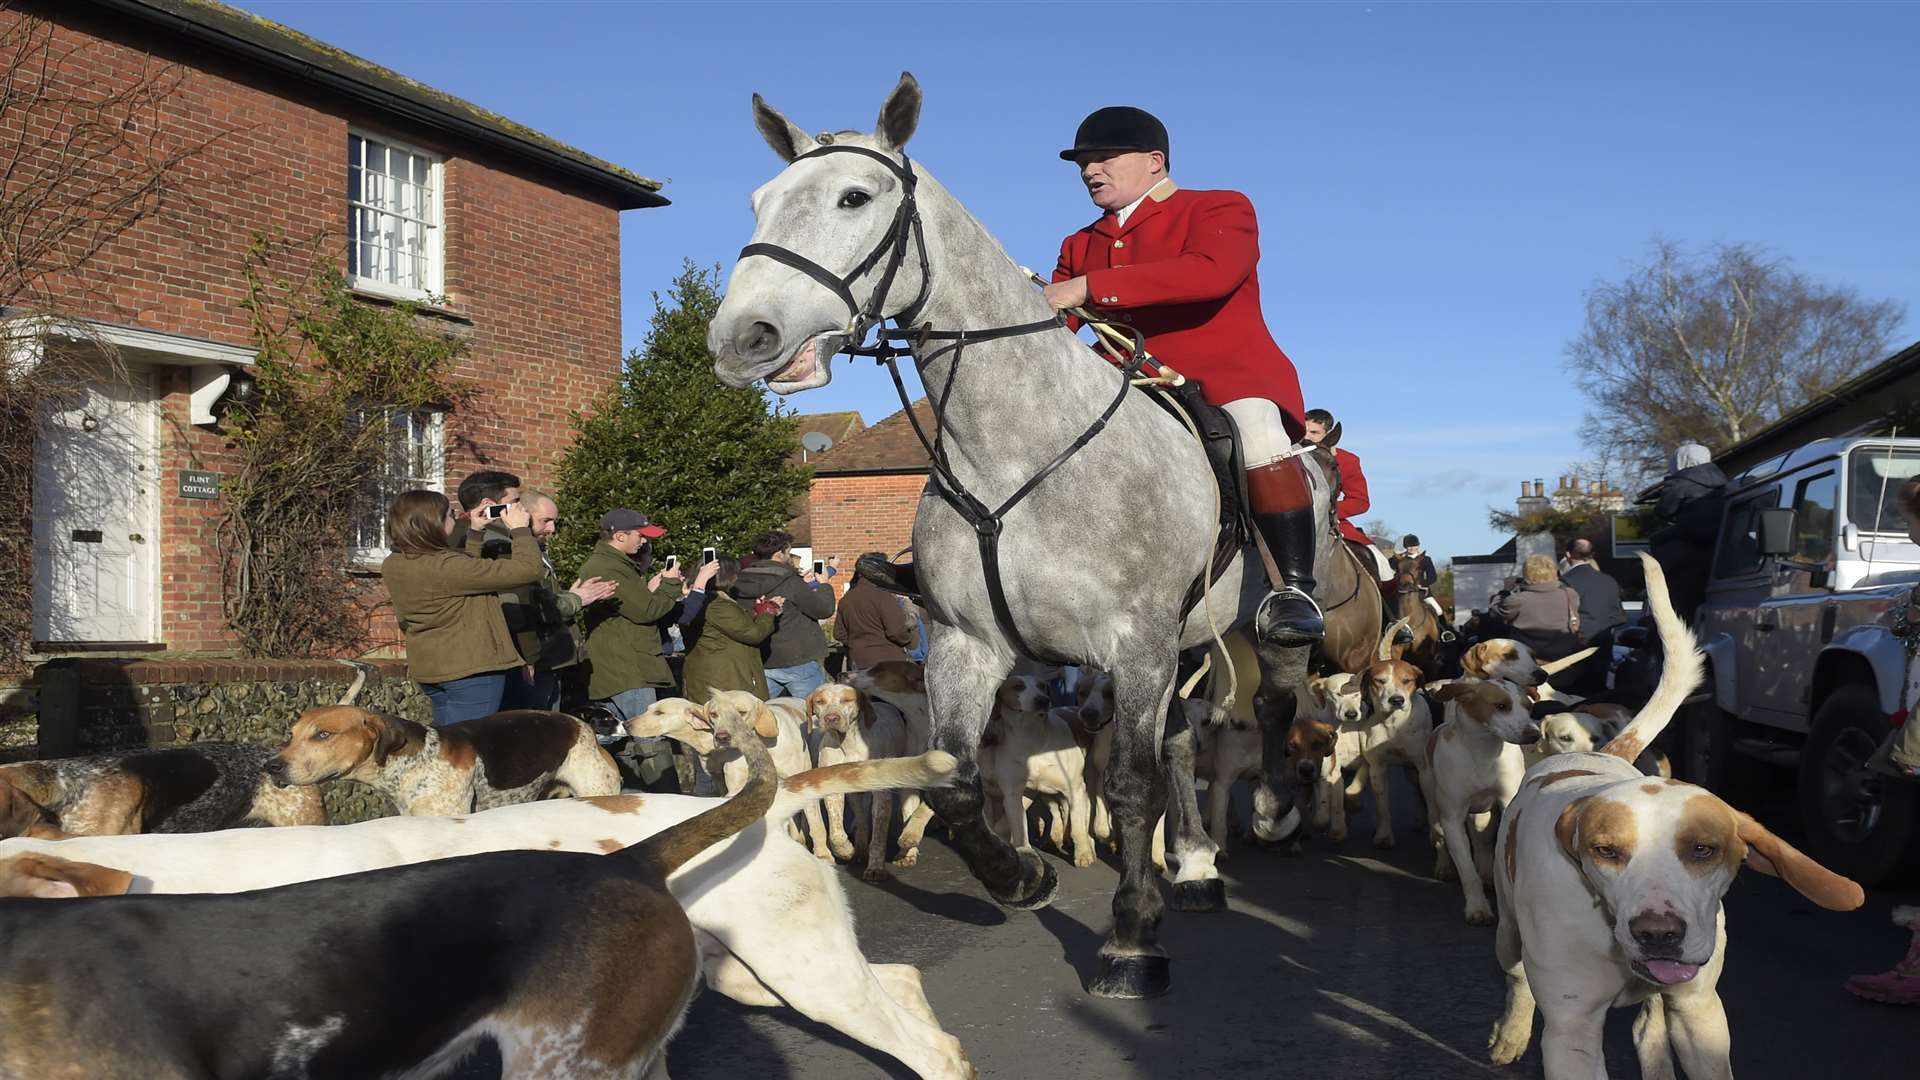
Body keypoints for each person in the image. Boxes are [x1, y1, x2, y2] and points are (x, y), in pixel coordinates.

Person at [1048, 105, 1321, 648]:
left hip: (1224, 379)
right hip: (1121, 388)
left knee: (1258, 432)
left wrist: (1089, 288)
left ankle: (1292, 589)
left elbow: (1213, 272)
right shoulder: (1079, 243)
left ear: (1155, 161)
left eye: (1103, 157)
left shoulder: (1219, 206)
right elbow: (1054, 324)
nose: (1088, 171)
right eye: (1082, 163)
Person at [378, 489, 540, 727]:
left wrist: (475, 531)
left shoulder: (395, 563)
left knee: (445, 744)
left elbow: (463, 576)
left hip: (432, 667)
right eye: (450, 514)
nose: (456, 516)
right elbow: (528, 570)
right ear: (435, 523)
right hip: (470, 671)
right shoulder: (445, 567)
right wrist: (520, 529)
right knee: (465, 748)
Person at [477, 490, 615, 711]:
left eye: (554, 521)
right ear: (523, 515)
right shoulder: (507, 547)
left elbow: (543, 597)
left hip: (548, 656)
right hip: (531, 659)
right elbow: (529, 606)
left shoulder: (533, 546)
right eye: (546, 521)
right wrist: (576, 599)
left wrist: (570, 595)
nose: (552, 529)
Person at [578, 508, 680, 790]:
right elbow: (646, 611)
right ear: (620, 536)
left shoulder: (614, 564)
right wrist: (670, 585)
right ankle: (668, 803)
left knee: (620, 739)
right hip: (628, 667)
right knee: (649, 737)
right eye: (640, 535)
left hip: (619, 664)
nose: (644, 542)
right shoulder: (609, 567)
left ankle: (631, 799)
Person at [732, 530, 836, 699]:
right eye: (788, 552)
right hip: (797, 657)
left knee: (764, 717)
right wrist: (824, 585)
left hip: (762, 658)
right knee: (811, 714)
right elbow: (823, 609)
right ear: (779, 553)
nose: (789, 556)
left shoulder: (740, 581)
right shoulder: (788, 580)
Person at [1302, 408, 1391, 585]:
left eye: (1314, 432)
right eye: (1304, 431)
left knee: (1382, 565)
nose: (1307, 437)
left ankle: (1387, 613)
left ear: (1328, 434)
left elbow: (1360, 501)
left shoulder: (1348, 460)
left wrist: (1327, 511)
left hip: (1332, 521)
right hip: (1291, 519)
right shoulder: (1289, 455)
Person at [1649, 440, 1731, 625]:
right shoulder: (1723, 480)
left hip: (1690, 541)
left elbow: (1664, 511)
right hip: (1721, 540)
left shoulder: (1678, 483)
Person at [681, 557, 781, 704]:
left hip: (709, 677)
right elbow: (753, 634)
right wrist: (768, 612)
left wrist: (756, 613)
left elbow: (732, 627)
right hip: (725, 682)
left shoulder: (698, 601)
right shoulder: (717, 604)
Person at [1558, 538, 1626, 696]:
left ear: (1568, 555)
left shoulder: (1566, 582)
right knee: (1597, 694)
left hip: (1574, 647)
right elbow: (1618, 615)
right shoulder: (1608, 581)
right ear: (1592, 555)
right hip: (1603, 646)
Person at [1490, 554, 1584, 661]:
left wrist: (1505, 590)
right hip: (1564, 658)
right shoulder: (1569, 594)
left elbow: (1495, 613)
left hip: (1529, 660)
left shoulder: (1517, 600)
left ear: (1526, 574)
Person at [837, 552, 917, 670]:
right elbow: (896, 632)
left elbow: (839, 633)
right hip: (887, 663)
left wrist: (858, 645)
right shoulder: (884, 597)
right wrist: (908, 640)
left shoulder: (846, 599)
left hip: (857, 661)